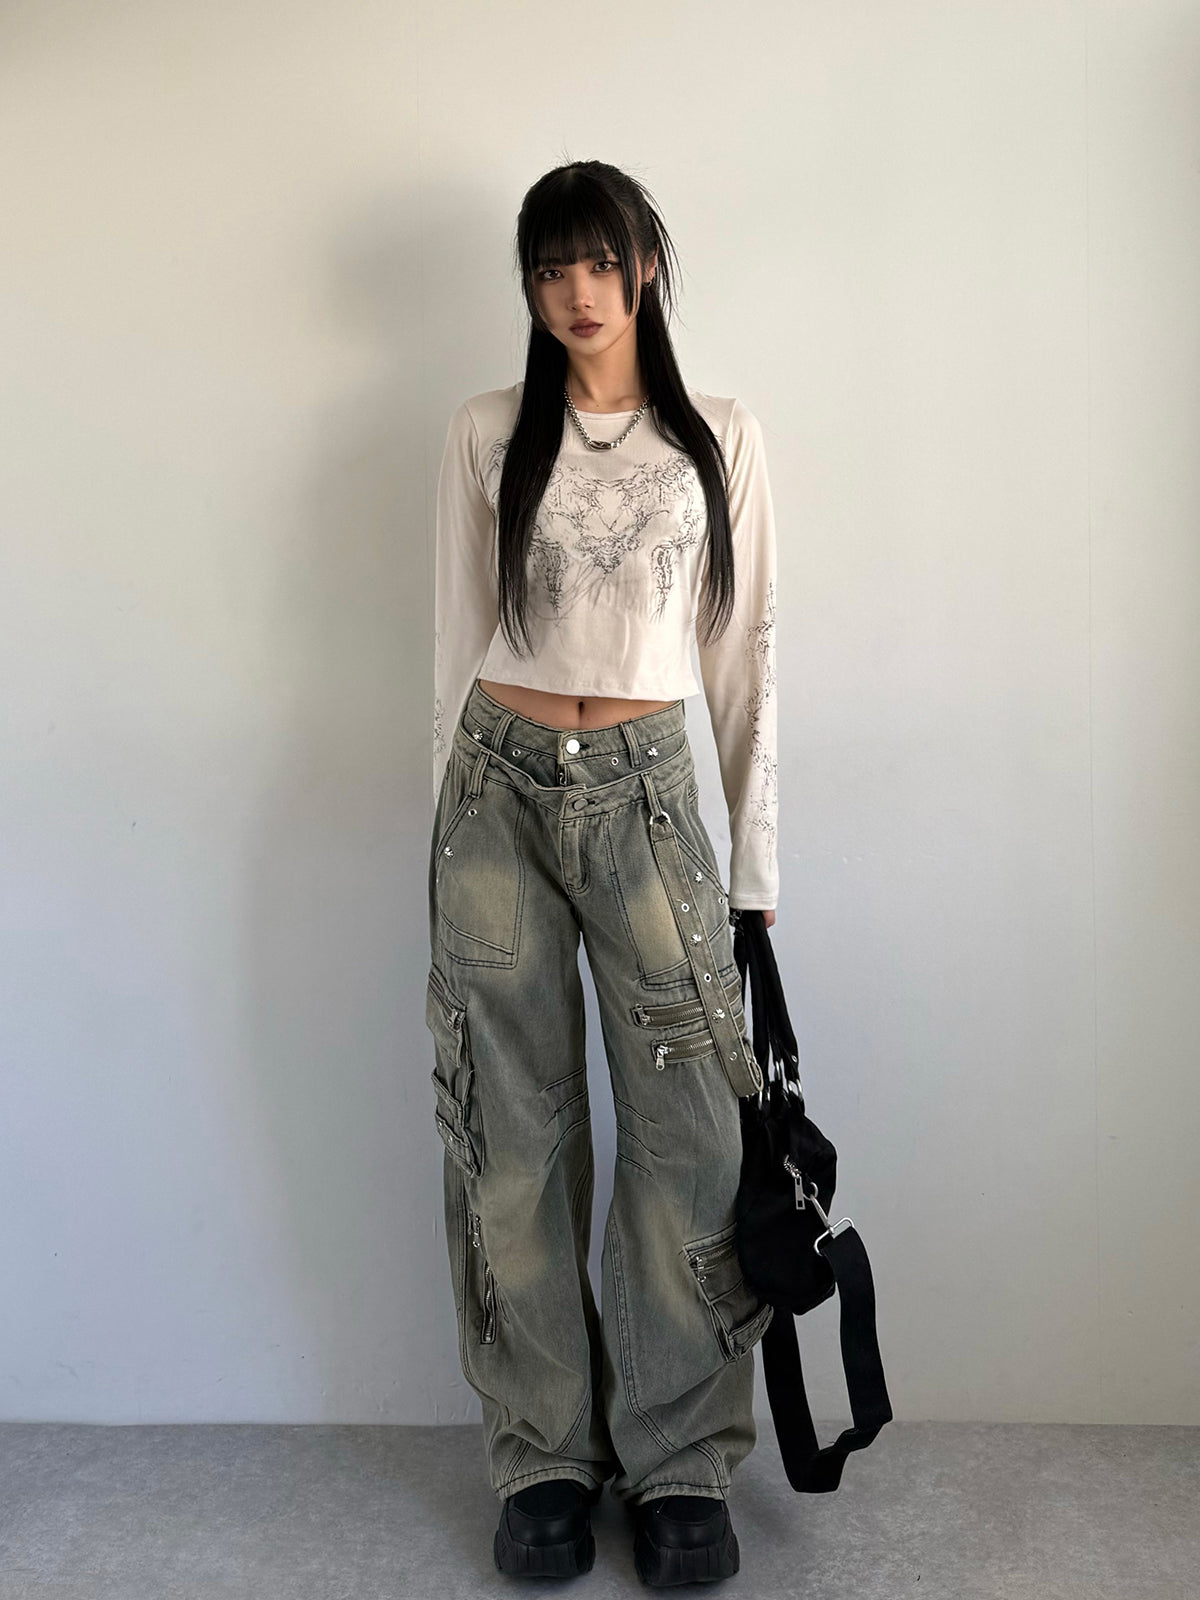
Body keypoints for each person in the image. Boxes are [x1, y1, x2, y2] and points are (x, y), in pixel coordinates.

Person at [426, 158, 779, 1586]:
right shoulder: (486, 431)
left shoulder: (718, 437)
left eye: (602, 261)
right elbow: (453, 642)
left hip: (648, 795)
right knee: (511, 1136)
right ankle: (544, 1458)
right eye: (551, 266)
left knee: (690, 1135)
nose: (579, 292)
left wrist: (754, 865)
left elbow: (746, 654)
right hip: (495, 789)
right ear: (528, 284)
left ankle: (681, 1459)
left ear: (647, 267)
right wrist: (440, 828)